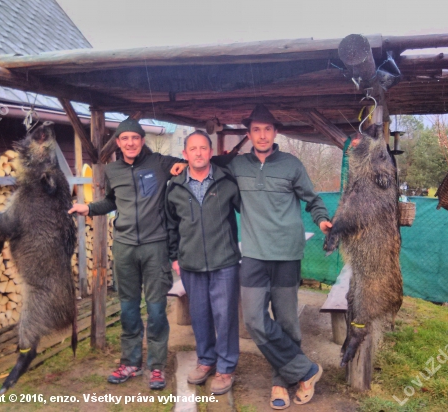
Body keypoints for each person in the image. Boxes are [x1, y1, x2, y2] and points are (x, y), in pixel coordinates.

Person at [173, 104, 332, 409]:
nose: (262, 135)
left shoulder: (292, 165)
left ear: (275, 133)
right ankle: (306, 371)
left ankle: (280, 384)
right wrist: (178, 163)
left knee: (286, 321)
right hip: (254, 256)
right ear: (249, 134)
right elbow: (204, 160)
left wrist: (322, 219)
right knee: (255, 321)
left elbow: (313, 200)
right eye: (256, 130)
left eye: (267, 129)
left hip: (286, 254)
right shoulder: (237, 166)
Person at [68, 118, 185, 390]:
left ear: (142, 140)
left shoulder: (159, 163)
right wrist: (89, 208)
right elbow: (111, 201)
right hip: (124, 247)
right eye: (125, 138)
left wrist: (184, 165)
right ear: (118, 143)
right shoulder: (113, 170)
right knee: (128, 308)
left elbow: (190, 160)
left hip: (156, 247)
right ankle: (131, 362)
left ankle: (157, 367)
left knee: (156, 309)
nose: (130, 142)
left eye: (135, 137)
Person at [165, 130, 241, 395]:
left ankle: (226, 367)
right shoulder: (174, 187)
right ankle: (206, 361)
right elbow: (171, 226)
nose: (198, 153)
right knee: (199, 315)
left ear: (211, 152)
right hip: (191, 264)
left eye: (203, 148)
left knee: (226, 315)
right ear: (185, 155)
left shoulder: (227, 181)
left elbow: (249, 210)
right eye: (192, 149)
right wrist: (175, 257)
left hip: (225, 262)